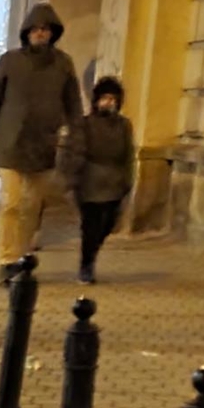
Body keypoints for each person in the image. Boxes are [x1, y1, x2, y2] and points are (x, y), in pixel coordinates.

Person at [0, 1, 84, 273]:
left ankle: (21, 255)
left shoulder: (63, 64)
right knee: (11, 204)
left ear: (53, 33)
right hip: (10, 145)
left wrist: (78, 142)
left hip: (42, 147)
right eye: (35, 29)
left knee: (31, 208)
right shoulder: (11, 61)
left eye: (45, 29)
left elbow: (74, 107)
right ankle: (7, 259)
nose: (40, 33)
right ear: (27, 31)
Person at [58, 74, 137, 283]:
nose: (108, 103)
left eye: (112, 99)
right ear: (96, 100)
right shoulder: (85, 124)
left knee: (108, 224)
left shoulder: (124, 126)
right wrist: (70, 180)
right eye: (104, 98)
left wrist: (128, 180)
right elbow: (72, 151)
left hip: (114, 182)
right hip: (89, 182)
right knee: (91, 226)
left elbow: (129, 154)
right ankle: (87, 265)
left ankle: (92, 253)